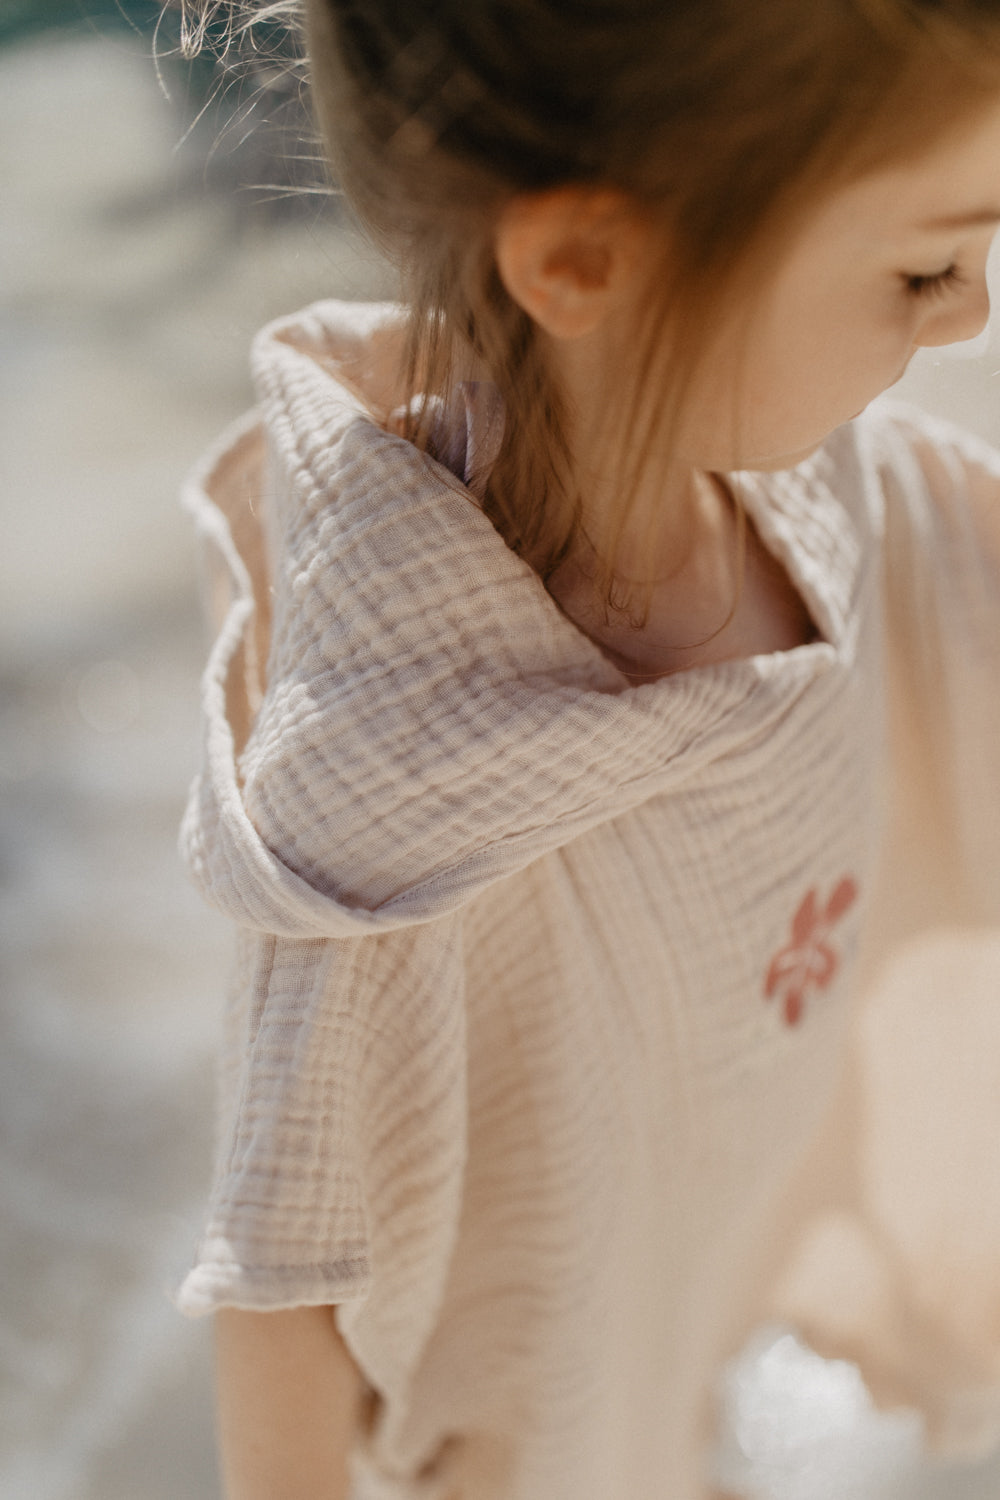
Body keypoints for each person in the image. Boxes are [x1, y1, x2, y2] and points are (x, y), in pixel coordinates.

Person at [174, 1, 1000, 1497]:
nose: (971, 316)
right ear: (585, 263)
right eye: (925, 266)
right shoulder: (392, 792)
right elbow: (286, 1268)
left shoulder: (811, 484)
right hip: (530, 1430)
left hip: (687, 1273)